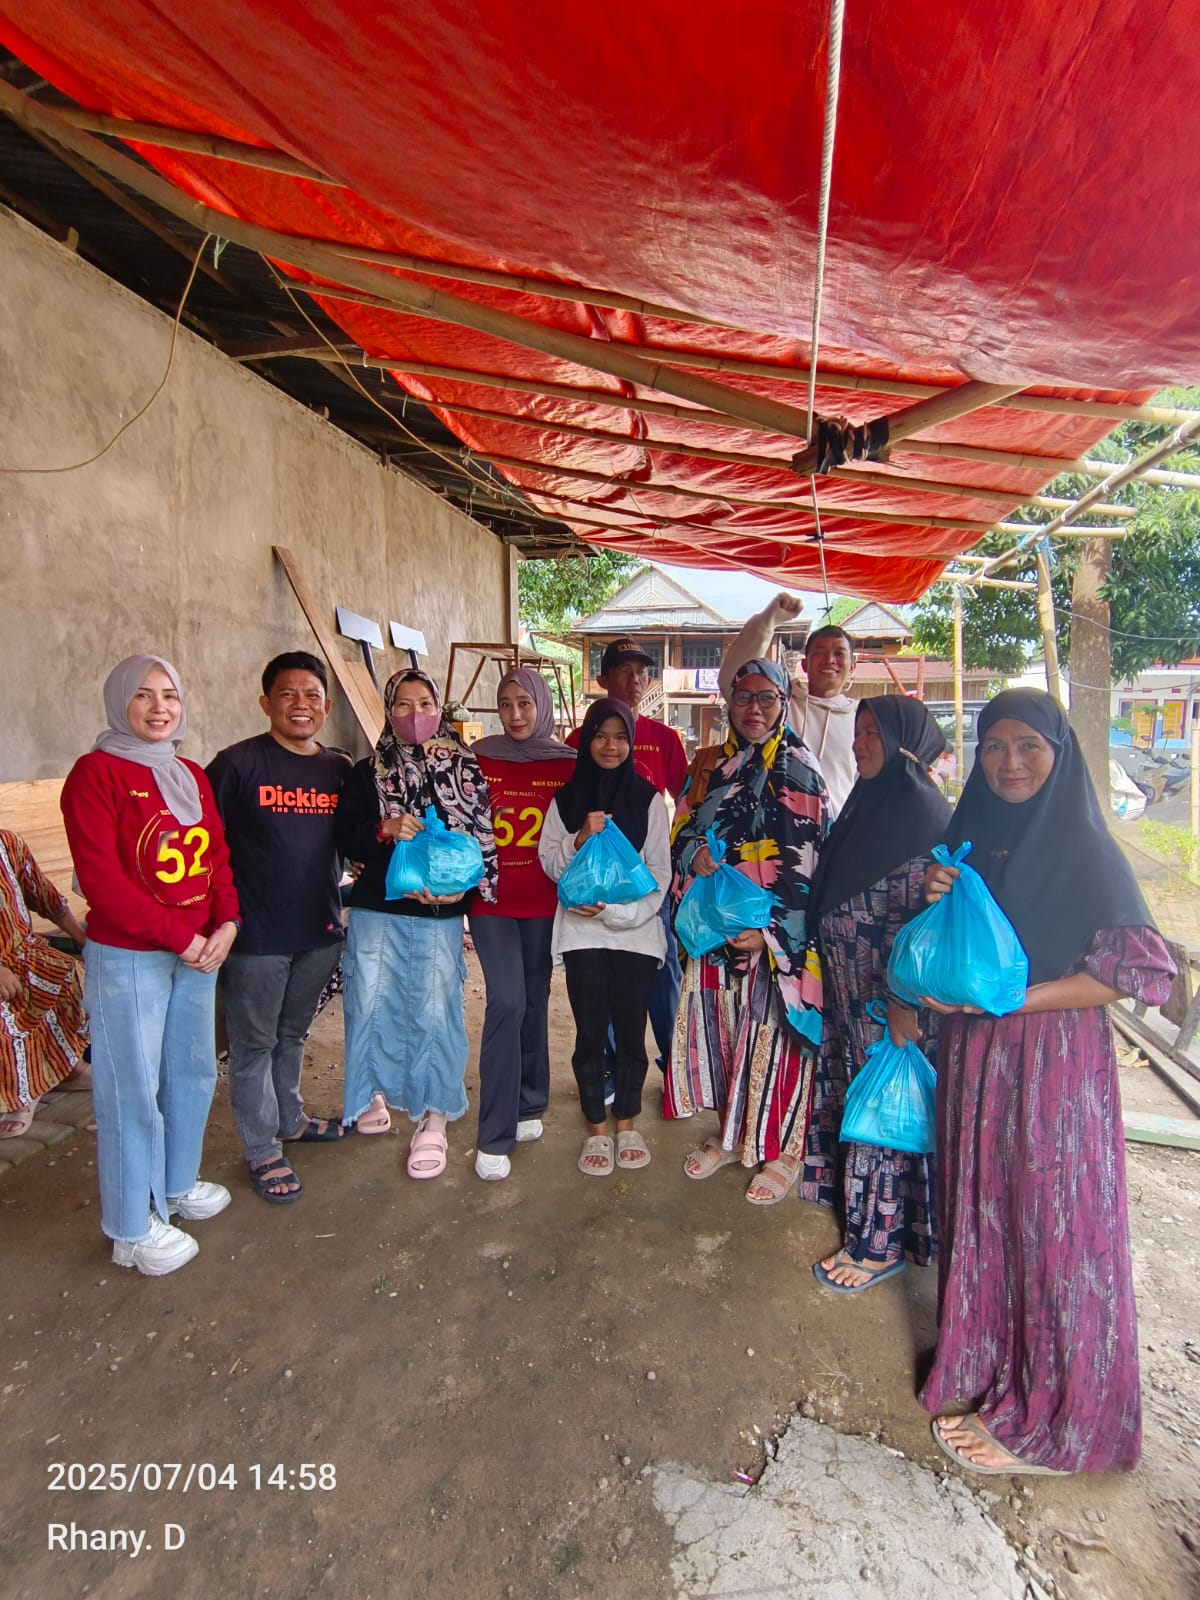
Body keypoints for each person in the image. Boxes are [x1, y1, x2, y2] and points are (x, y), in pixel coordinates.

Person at [919, 689, 1175, 1476]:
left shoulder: (1086, 849)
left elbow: (1137, 973)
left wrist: (1014, 1001)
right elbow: (947, 949)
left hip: (1052, 1066)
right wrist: (938, 901)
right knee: (985, 1213)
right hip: (977, 1059)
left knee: (1054, 1231)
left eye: (1029, 745)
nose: (1009, 763)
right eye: (994, 746)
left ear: (1059, 755)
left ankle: (1062, 1423)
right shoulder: (973, 838)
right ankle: (990, 1367)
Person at [61, 654, 240, 1276]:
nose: (160, 707)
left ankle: (177, 1184)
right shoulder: (96, 774)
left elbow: (216, 859)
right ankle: (131, 1228)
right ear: (120, 702)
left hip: (197, 952)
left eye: (170, 695)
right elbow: (100, 881)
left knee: (192, 1072)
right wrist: (179, 937)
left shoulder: (188, 773)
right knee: (130, 1091)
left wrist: (227, 922)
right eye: (143, 695)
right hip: (131, 957)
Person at [802, 697, 952, 1290]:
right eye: (857, 731)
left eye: (872, 734)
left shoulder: (922, 815)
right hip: (852, 1001)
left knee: (884, 1119)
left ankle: (876, 1245)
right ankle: (867, 1217)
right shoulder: (870, 804)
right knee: (867, 1110)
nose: (858, 743)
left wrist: (902, 1005)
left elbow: (922, 930)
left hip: (888, 1009)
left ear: (903, 741)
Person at [669, 658, 829, 1203]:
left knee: (775, 1040)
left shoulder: (798, 768)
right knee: (728, 1035)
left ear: (784, 703)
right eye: (743, 698)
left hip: (774, 940)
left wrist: (773, 933)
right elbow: (683, 827)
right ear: (729, 704)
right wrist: (694, 854)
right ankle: (731, 1133)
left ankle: (784, 1150)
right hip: (717, 931)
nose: (754, 709)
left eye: (767, 698)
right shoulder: (718, 766)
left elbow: (810, 865)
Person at [335, 669, 496, 1180]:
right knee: (369, 1004)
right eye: (402, 705)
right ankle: (371, 1095)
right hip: (377, 909)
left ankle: (435, 1117)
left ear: (439, 707)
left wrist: (463, 891)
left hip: (439, 912)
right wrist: (383, 828)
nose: (414, 714)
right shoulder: (366, 771)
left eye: (424, 703)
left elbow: (483, 838)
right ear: (388, 711)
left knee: (435, 1013)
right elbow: (344, 838)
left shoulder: (465, 767)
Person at [207, 652, 355, 1206]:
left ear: (327, 705)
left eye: (312, 695)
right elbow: (207, 849)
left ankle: (290, 1120)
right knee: (253, 1046)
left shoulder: (338, 769)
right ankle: (262, 1148)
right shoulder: (236, 765)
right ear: (265, 703)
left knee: (292, 1035)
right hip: (256, 936)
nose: (301, 705)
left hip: (318, 928)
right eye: (288, 694)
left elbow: (354, 839)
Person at [538, 698, 670, 1177]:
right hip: (582, 936)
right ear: (585, 740)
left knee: (632, 1034)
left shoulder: (648, 800)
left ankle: (627, 1123)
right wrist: (578, 838)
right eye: (600, 735)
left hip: (635, 937)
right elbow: (550, 864)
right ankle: (596, 1127)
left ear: (631, 743)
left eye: (620, 737)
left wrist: (617, 912)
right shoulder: (566, 801)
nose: (610, 746)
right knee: (590, 1034)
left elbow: (659, 873)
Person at [469, 668, 575, 1180]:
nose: (515, 715)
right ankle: (494, 1133)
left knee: (534, 997)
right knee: (506, 1001)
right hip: (490, 901)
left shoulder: (567, 763)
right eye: (506, 704)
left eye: (524, 704)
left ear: (541, 705)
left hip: (544, 902)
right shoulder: (478, 758)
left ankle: (531, 1099)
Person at [568, 639, 687, 1082]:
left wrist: (672, 858)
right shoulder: (577, 740)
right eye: (624, 670)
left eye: (642, 671)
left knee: (662, 965)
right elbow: (567, 802)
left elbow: (686, 801)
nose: (636, 679)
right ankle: (612, 1063)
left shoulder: (664, 739)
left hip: (646, 878)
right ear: (603, 679)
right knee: (604, 969)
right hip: (597, 880)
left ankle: (675, 1064)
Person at [721, 598, 857, 813]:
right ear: (804, 664)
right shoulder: (779, 704)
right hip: (777, 827)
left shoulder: (864, 718)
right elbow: (735, 679)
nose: (830, 660)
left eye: (839, 653)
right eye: (820, 652)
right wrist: (768, 620)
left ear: (853, 666)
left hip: (839, 829)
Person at [0, 831, 90, 1138]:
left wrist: (83, 941)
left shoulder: (8, 844)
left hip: (25, 952)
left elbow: (46, 897)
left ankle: (71, 1071)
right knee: (7, 1008)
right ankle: (20, 1093)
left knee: (75, 976)